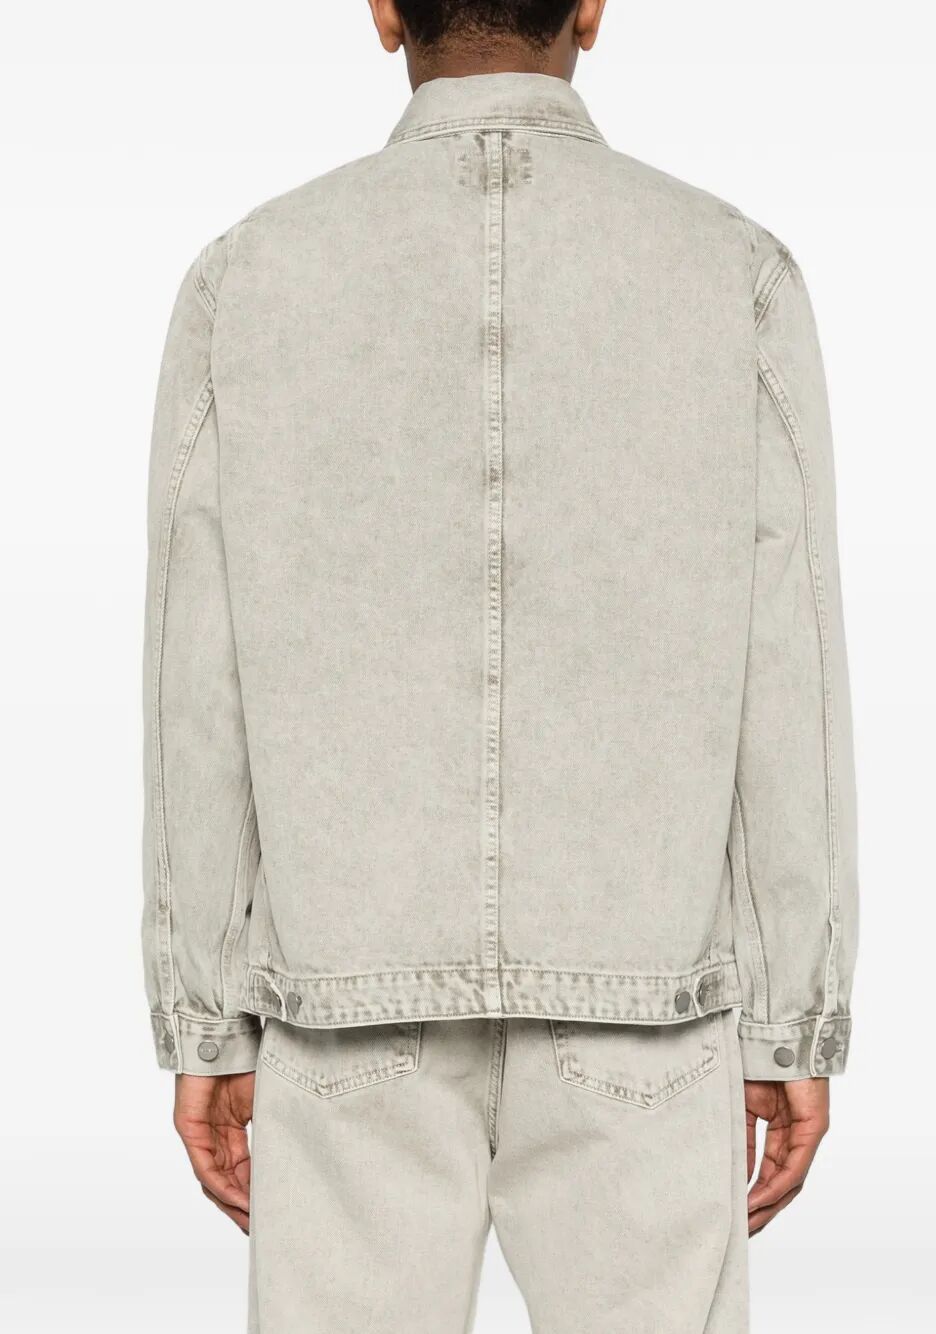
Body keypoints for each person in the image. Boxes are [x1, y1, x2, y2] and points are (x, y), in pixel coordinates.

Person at [142, 2, 858, 1330]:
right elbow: (788, 662)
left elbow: (199, 677)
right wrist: (793, 1017)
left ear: (383, 12)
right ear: (591, 8)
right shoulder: (734, 273)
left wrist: (205, 1018)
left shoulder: (250, 276)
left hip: (343, 1000)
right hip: (644, 998)